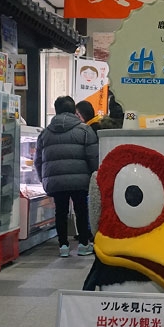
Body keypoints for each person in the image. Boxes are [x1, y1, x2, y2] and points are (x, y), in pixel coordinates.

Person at [37, 96, 98, 257]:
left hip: (56, 180)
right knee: (81, 210)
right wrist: (95, 175)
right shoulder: (85, 130)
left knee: (61, 211)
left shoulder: (45, 133)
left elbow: (38, 160)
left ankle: (63, 246)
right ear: (74, 111)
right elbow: (93, 157)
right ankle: (84, 244)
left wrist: (42, 178)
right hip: (80, 179)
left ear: (56, 110)